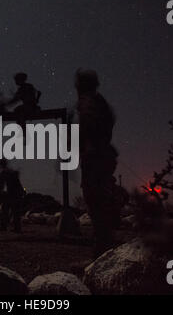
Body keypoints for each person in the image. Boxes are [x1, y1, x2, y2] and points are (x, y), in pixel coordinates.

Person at [75, 68, 120, 255]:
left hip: (94, 156)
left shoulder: (87, 101)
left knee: (94, 199)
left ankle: (101, 253)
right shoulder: (100, 101)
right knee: (100, 200)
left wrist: (86, 144)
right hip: (103, 155)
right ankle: (103, 249)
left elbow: (88, 124)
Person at [0, 159, 25, 232]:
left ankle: (4, 226)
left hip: (9, 194)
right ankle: (17, 227)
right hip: (16, 194)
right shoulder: (12, 172)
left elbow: (1, 186)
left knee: (5, 211)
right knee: (15, 212)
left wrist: (0, 193)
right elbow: (18, 183)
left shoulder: (3, 173)